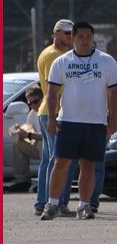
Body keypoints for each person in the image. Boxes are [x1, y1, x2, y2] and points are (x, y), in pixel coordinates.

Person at [41, 21, 117, 221]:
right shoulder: (61, 61)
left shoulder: (106, 61)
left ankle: (84, 206)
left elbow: (115, 91)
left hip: (95, 122)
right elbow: (52, 93)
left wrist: (113, 119)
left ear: (93, 38)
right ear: (73, 38)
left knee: (89, 166)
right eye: (80, 36)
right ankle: (52, 204)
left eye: (88, 36)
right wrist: (51, 119)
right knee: (61, 163)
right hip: (68, 121)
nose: (85, 40)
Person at [35, 18, 75, 216]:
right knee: (59, 159)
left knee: (48, 160)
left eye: (71, 34)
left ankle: (42, 202)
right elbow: (56, 88)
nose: (70, 37)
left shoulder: (49, 53)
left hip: (45, 111)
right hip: (55, 113)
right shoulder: (55, 56)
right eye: (67, 33)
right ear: (56, 33)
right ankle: (54, 203)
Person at [6, 86, 44, 192]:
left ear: (43, 99)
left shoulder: (48, 111)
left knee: (43, 143)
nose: (32, 105)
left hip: (51, 147)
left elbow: (49, 136)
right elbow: (31, 135)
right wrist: (18, 131)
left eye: (35, 102)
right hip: (40, 148)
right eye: (30, 103)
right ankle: (22, 181)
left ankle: (45, 180)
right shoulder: (32, 114)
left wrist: (29, 135)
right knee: (18, 144)